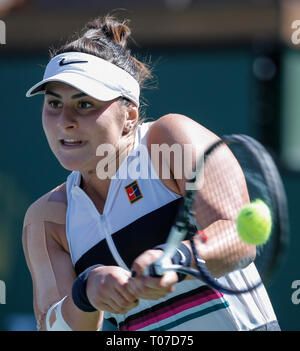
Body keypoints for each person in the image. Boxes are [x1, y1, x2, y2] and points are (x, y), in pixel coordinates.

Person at [22, 15, 280, 331]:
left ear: (129, 115)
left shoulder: (169, 139)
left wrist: (176, 259)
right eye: (54, 103)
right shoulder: (46, 219)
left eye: (85, 104)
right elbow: (52, 326)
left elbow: (239, 238)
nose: (65, 121)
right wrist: (87, 291)